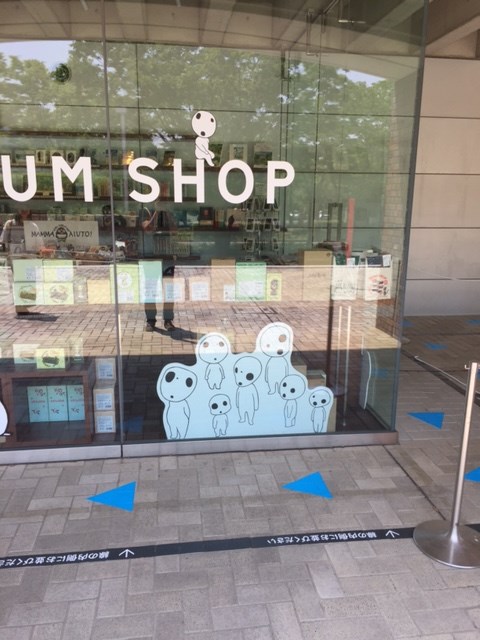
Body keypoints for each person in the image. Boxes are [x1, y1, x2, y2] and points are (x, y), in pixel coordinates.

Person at [140, 202, 177, 332]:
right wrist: (156, 212)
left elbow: (174, 230)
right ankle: (150, 320)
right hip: (150, 258)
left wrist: (166, 212)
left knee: (168, 291)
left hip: (167, 258)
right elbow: (147, 228)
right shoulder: (145, 210)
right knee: (150, 290)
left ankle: (168, 320)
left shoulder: (168, 212)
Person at [1, 210, 43, 317]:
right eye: (21, 209)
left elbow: (39, 241)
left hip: (29, 257)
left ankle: (24, 306)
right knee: (19, 281)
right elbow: (3, 240)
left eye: (26, 209)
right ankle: (20, 307)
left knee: (29, 281)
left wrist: (39, 251)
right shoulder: (10, 224)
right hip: (16, 258)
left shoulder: (32, 225)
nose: (24, 211)